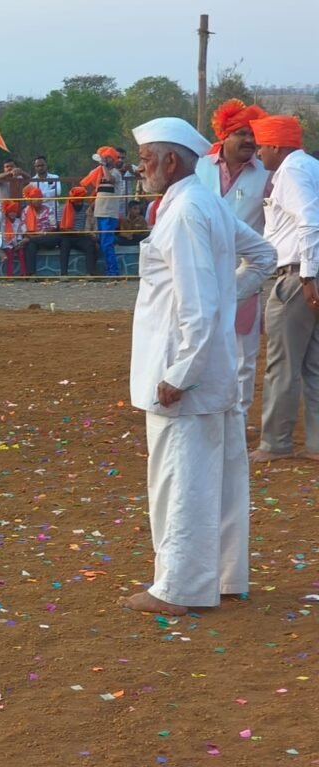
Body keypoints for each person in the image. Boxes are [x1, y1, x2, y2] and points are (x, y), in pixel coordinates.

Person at [121, 117, 275, 616]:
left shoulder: (187, 209)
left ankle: (179, 588)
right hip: (211, 364)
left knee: (179, 478)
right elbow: (264, 256)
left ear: (171, 161)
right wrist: (231, 300)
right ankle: (225, 578)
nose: (140, 167)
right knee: (220, 476)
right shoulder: (200, 201)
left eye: (146, 159)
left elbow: (197, 302)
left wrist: (180, 372)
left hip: (185, 371)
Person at [247, 115, 319, 463]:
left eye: (261, 146)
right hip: (308, 274)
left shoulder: (290, 171)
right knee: (314, 365)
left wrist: (307, 276)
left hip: (296, 277)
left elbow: (309, 219)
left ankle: (275, 443)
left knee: (283, 364)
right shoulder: (310, 166)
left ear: (276, 145)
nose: (259, 154)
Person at [196, 99, 272, 421]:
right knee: (200, 343)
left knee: (244, 352)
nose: (250, 141)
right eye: (241, 133)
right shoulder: (198, 166)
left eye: (253, 134)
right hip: (201, 269)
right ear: (223, 135)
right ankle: (206, 410)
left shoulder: (267, 174)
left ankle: (237, 417)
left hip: (245, 273)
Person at [79, 146, 124, 276]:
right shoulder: (100, 173)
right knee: (103, 242)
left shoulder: (115, 172)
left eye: (108, 157)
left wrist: (103, 166)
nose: (106, 159)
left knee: (107, 243)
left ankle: (113, 271)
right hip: (100, 212)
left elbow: (111, 179)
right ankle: (109, 269)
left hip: (109, 212)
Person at [21, 185, 63, 275]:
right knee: (30, 245)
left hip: (46, 238)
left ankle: (31, 240)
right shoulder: (25, 211)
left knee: (56, 237)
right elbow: (24, 230)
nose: (38, 200)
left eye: (40, 198)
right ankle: (32, 274)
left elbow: (53, 227)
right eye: (35, 198)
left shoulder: (48, 209)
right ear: (31, 200)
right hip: (33, 237)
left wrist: (38, 236)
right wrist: (33, 237)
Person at [57, 186, 97, 276]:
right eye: (77, 201)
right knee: (64, 245)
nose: (79, 203)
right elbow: (61, 228)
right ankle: (63, 274)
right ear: (72, 200)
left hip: (81, 236)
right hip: (68, 235)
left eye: (81, 201)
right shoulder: (63, 208)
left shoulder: (86, 207)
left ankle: (90, 273)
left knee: (90, 245)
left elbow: (90, 220)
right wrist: (74, 231)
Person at [30, 155, 63, 221]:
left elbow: (58, 192)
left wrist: (40, 195)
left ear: (46, 165)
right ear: (35, 167)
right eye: (38, 166)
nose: (40, 168)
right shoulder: (32, 181)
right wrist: (51, 193)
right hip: (39, 213)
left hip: (54, 210)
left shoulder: (55, 177)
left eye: (42, 165)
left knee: (55, 230)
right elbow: (33, 198)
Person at [0, 200, 27, 277]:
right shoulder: (4, 222)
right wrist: (13, 244)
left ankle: (23, 273)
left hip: (17, 243)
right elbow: (5, 237)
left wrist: (18, 243)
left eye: (14, 212)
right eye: (10, 212)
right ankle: (9, 275)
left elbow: (19, 234)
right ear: (7, 213)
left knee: (21, 253)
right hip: (7, 244)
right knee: (9, 255)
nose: (12, 214)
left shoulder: (18, 221)